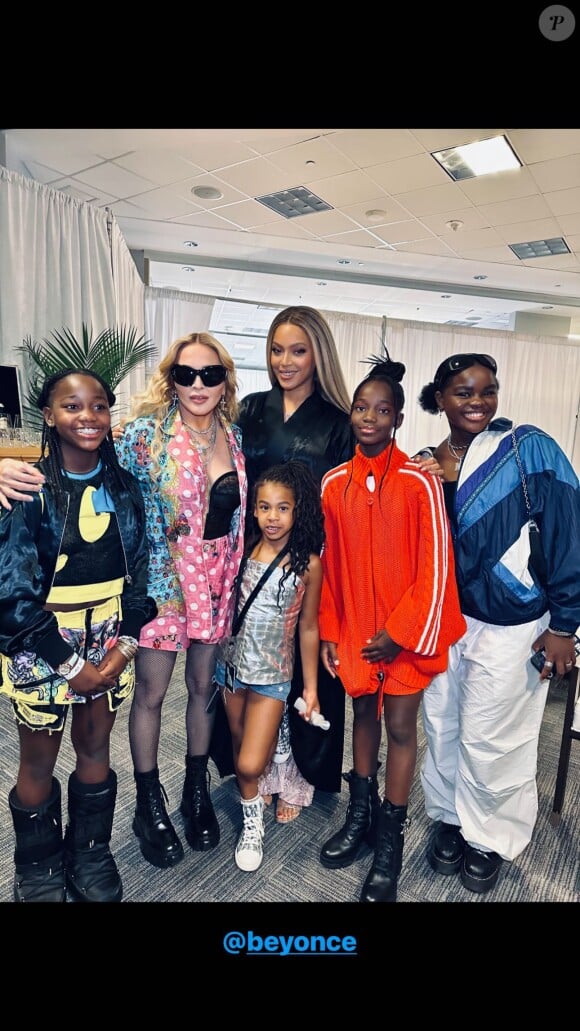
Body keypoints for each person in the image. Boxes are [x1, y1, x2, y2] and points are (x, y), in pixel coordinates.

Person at [0, 334, 248, 872]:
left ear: (225, 379)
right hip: (156, 587)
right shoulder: (141, 435)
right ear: (171, 379)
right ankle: (147, 803)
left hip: (207, 586)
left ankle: (193, 791)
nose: (198, 384)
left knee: (201, 692)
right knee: (149, 698)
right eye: (186, 374)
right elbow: (73, 465)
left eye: (210, 374)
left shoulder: (238, 436)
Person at [417, 352, 580, 895]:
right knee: (443, 724)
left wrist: (565, 625)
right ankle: (448, 817)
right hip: (444, 623)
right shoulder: (422, 462)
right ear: (439, 399)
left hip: (513, 625)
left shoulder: (530, 448)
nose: (478, 402)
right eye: (463, 392)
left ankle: (488, 836)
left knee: (495, 735)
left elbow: (567, 535)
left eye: (487, 390)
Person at [0, 369, 156, 903]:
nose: (87, 417)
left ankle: (90, 850)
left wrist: (124, 646)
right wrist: (68, 665)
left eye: (98, 407)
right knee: (38, 760)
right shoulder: (27, 490)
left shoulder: (125, 488)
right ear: (48, 415)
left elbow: (141, 576)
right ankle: (38, 864)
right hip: (41, 644)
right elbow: (12, 595)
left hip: (109, 641)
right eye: (71, 406)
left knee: (94, 748)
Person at [317, 351, 466, 903]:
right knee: (361, 715)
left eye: (382, 410)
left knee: (402, 727)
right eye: (361, 407)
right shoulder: (334, 484)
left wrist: (401, 633)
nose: (370, 417)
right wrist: (332, 631)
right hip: (357, 627)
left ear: (398, 419)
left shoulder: (418, 481)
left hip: (405, 636)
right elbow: (329, 565)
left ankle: (390, 841)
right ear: (352, 414)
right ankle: (359, 818)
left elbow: (435, 564)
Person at [229, 305, 355, 823]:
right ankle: (257, 770)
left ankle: (300, 775)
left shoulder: (340, 421)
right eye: (277, 349)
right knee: (250, 668)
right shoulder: (251, 409)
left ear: (318, 354)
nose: (285, 360)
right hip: (251, 559)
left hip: (310, 563)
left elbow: (351, 499)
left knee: (309, 672)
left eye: (298, 350)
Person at [213, 460, 324, 871]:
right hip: (231, 669)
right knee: (244, 753)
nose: (271, 517)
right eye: (263, 507)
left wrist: (310, 688)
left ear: (299, 510)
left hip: (273, 675)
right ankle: (265, 774)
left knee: (247, 765)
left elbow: (309, 628)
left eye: (282, 508)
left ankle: (251, 823)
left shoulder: (307, 563)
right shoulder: (242, 550)